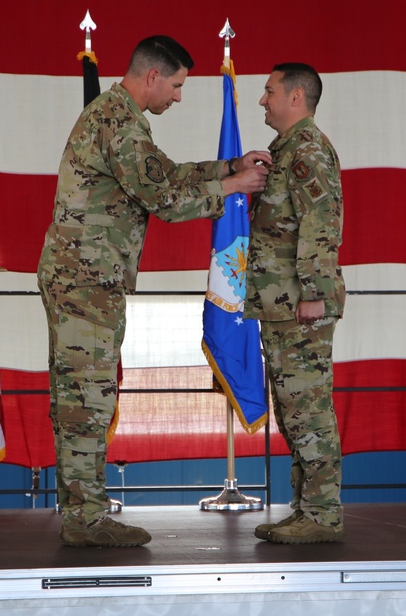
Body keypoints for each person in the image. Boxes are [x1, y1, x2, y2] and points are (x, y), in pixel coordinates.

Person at [38, 35, 271, 548]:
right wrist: (232, 188)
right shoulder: (119, 121)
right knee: (87, 397)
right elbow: (162, 196)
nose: (179, 97)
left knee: (83, 394)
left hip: (86, 276)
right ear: (152, 77)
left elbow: (161, 173)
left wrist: (227, 167)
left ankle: (83, 510)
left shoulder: (120, 116)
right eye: (178, 85)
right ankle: (85, 519)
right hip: (85, 278)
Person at [245, 63, 346, 544]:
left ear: (296, 96)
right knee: (293, 409)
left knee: (309, 407)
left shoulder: (306, 150)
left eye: (269, 92)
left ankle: (324, 514)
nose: (262, 100)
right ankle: (306, 508)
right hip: (280, 302)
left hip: (299, 303)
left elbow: (321, 224)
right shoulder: (287, 152)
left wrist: (314, 294)